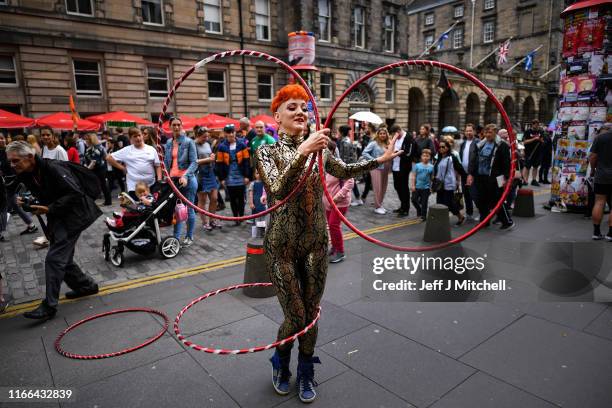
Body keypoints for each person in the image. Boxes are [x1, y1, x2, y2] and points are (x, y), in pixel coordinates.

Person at [255, 84, 401, 402]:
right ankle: (280, 362)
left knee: (310, 313)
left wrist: (381, 160)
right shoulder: (266, 151)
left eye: (304, 107)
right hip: (281, 246)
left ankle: (306, 369)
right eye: (291, 107)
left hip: (316, 243)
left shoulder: (320, 149)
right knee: (294, 316)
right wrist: (303, 151)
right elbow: (278, 189)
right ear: (276, 116)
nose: (300, 112)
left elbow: (344, 169)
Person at [7, 141, 100, 320]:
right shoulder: (27, 173)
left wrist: (49, 209)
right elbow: (45, 196)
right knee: (63, 257)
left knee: (54, 258)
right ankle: (85, 286)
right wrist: (30, 205)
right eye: (10, 161)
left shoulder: (54, 168)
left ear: (29, 157)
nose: (12, 165)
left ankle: (49, 306)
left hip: (76, 215)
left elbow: (75, 193)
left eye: (15, 161)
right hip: (60, 216)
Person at [467, 123, 514, 230]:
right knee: (481, 200)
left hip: (495, 178)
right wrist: (471, 174)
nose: (487, 135)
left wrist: (505, 179)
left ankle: (507, 221)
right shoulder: (481, 144)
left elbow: (506, 164)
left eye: (490, 132)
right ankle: (484, 221)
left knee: (497, 200)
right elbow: (476, 160)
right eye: (486, 132)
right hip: (481, 177)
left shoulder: (502, 145)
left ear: (495, 133)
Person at [163, 117, 198, 247]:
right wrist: (166, 176)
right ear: (170, 127)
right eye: (174, 125)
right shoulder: (168, 143)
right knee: (177, 209)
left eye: (178, 125)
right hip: (174, 181)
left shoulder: (189, 142)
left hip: (187, 180)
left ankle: (189, 236)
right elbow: (167, 162)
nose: (176, 127)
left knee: (189, 210)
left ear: (181, 126)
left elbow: (194, 162)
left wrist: (185, 175)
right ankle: (176, 238)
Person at [0, 133, 38, 237]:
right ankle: (31, 224)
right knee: (13, 204)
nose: (1, 140)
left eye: (2, 138)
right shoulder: (3, 152)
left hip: (13, 181)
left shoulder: (11, 150)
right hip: (7, 182)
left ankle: (31, 224)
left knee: (7, 205)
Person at [323, 141, 354, 263]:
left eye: (326, 150)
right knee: (331, 226)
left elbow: (350, 181)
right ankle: (335, 248)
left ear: (332, 151)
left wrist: (337, 197)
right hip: (328, 202)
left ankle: (340, 252)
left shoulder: (339, 164)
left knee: (333, 225)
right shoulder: (323, 165)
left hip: (339, 202)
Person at [107, 127, 162, 196]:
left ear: (142, 135)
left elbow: (158, 165)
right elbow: (109, 157)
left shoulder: (151, 149)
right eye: (135, 136)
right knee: (138, 206)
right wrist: (122, 168)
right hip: (134, 187)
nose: (138, 138)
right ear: (131, 138)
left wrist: (159, 180)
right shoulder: (126, 150)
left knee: (152, 205)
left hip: (151, 185)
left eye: (139, 135)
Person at [216, 124, 251, 225]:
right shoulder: (222, 147)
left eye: (232, 132)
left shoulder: (242, 145)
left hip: (240, 176)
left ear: (235, 132)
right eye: (228, 132)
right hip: (229, 176)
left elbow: (246, 161)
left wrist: (247, 176)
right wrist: (222, 178)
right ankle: (235, 218)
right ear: (225, 134)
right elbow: (219, 164)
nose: (231, 134)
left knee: (241, 198)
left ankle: (241, 216)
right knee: (232, 199)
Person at [434, 140, 466, 226]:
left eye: (443, 147)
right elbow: (436, 170)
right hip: (440, 184)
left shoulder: (452, 158)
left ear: (448, 148)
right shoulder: (439, 157)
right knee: (439, 203)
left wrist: (465, 179)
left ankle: (460, 217)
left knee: (449, 203)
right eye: (439, 147)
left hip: (449, 184)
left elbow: (460, 169)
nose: (441, 148)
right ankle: (442, 220)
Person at [390, 124, 420, 217]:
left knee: (403, 188)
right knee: (396, 186)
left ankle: (405, 208)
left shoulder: (408, 138)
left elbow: (409, 153)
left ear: (399, 131)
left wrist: (397, 153)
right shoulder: (396, 138)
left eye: (395, 134)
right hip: (395, 166)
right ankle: (402, 205)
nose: (394, 136)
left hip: (403, 167)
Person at [362, 125, 392, 214]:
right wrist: (374, 160)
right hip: (376, 168)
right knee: (377, 187)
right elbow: (364, 153)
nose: (382, 135)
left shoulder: (388, 144)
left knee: (383, 187)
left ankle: (380, 204)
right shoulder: (373, 143)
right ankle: (377, 206)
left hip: (386, 168)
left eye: (384, 133)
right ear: (378, 134)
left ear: (387, 135)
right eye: (381, 133)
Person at [195, 127, 220, 231]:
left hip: (210, 173)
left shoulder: (207, 144)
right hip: (200, 175)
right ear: (197, 136)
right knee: (203, 200)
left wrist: (212, 156)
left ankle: (212, 220)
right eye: (204, 137)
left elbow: (209, 155)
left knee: (214, 198)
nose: (206, 138)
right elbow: (193, 161)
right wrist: (208, 159)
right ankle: (205, 222)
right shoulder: (193, 145)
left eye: (207, 136)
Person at [589, 129, 612, 240]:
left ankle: (596, 232)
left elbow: (592, 157)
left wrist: (593, 170)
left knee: (599, 202)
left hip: (601, 175)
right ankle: (611, 234)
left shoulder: (600, 137)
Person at [336, 125, 362, 205]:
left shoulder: (345, 142)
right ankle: (356, 198)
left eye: (338, 131)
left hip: (348, 166)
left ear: (342, 132)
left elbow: (345, 156)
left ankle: (357, 199)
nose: (337, 133)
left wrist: (343, 166)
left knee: (350, 182)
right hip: (349, 165)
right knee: (350, 182)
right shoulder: (345, 140)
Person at [84, 133, 112, 206]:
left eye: (87, 139)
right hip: (97, 169)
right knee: (101, 185)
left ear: (91, 140)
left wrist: (86, 169)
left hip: (99, 169)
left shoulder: (96, 148)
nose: (85, 141)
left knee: (101, 185)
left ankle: (107, 201)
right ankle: (107, 201)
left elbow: (94, 162)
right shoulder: (92, 147)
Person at [459, 124, 478, 221]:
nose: (468, 133)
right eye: (467, 131)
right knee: (466, 194)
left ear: (474, 132)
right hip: (464, 173)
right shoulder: (463, 143)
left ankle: (482, 212)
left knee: (474, 194)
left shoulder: (478, 143)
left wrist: (473, 173)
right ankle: (469, 213)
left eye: (470, 131)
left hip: (473, 174)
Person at [411, 149, 434, 221]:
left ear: (430, 157)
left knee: (424, 202)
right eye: (424, 156)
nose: (425, 157)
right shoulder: (417, 166)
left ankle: (423, 216)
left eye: (427, 156)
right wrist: (413, 185)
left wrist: (431, 187)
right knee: (414, 199)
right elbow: (414, 176)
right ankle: (419, 209)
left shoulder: (431, 167)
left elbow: (431, 178)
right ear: (421, 157)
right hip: (417, 186)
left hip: (426, 188)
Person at [522, 119, 544, 186]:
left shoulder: (541, 132)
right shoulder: (528, 132)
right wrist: (534, 139)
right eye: (536, 124)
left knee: (536, 166)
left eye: (538, 124)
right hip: (529, 152)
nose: (537, 126)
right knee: (527, 166)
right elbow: (524, 141)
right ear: (533, 124)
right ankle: (525, 180)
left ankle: (534, 180)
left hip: (537, 152)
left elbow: (543, 141)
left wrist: (540, 139)